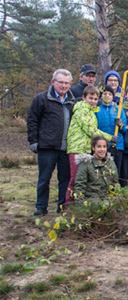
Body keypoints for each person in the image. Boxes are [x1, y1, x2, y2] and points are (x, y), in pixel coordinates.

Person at [27, 69, 76, 215]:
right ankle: (41, 207)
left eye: (67, 83)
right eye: (60, 82)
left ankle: (62, 207)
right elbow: (32, 120)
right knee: (44, 178)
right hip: (47, 146)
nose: (63, 85)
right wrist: (33, 141)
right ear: (53, 82)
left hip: (66, 148)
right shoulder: (41, 99)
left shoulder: (73, 101)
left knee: (65, 180)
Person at [66, 85, 114, 203]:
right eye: (90, 98)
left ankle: (81, 204)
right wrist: (110, 137)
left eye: (95, 98)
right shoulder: (81, 110)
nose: (93, 101)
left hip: (86, 149)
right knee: (75, 178)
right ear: (84, 97)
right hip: (77, 148)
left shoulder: (91, 112)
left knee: (83, 178)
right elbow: (91, 130)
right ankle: (68, 204)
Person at [74, 136, 118, 201]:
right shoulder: (86, 164)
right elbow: (80, 186)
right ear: (93, 148)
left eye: (104, 146)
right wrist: (81, 206)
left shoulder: (111, 163)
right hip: (91, 200)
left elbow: (115, 183)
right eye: (99, 146)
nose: (102, 149)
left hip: (108, 198)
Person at [96, 85, 127, 174]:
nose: (107, 95)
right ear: (101, 96)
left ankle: (115, 187)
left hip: (117, 145)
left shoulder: (119, 110)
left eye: (109, 94)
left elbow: (125, 130)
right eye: (105, 93)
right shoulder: (97, 109)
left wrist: (121, 125)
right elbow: (94, 128)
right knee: (102, 171)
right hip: (102, 145)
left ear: (113, 97)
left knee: (115, 171)